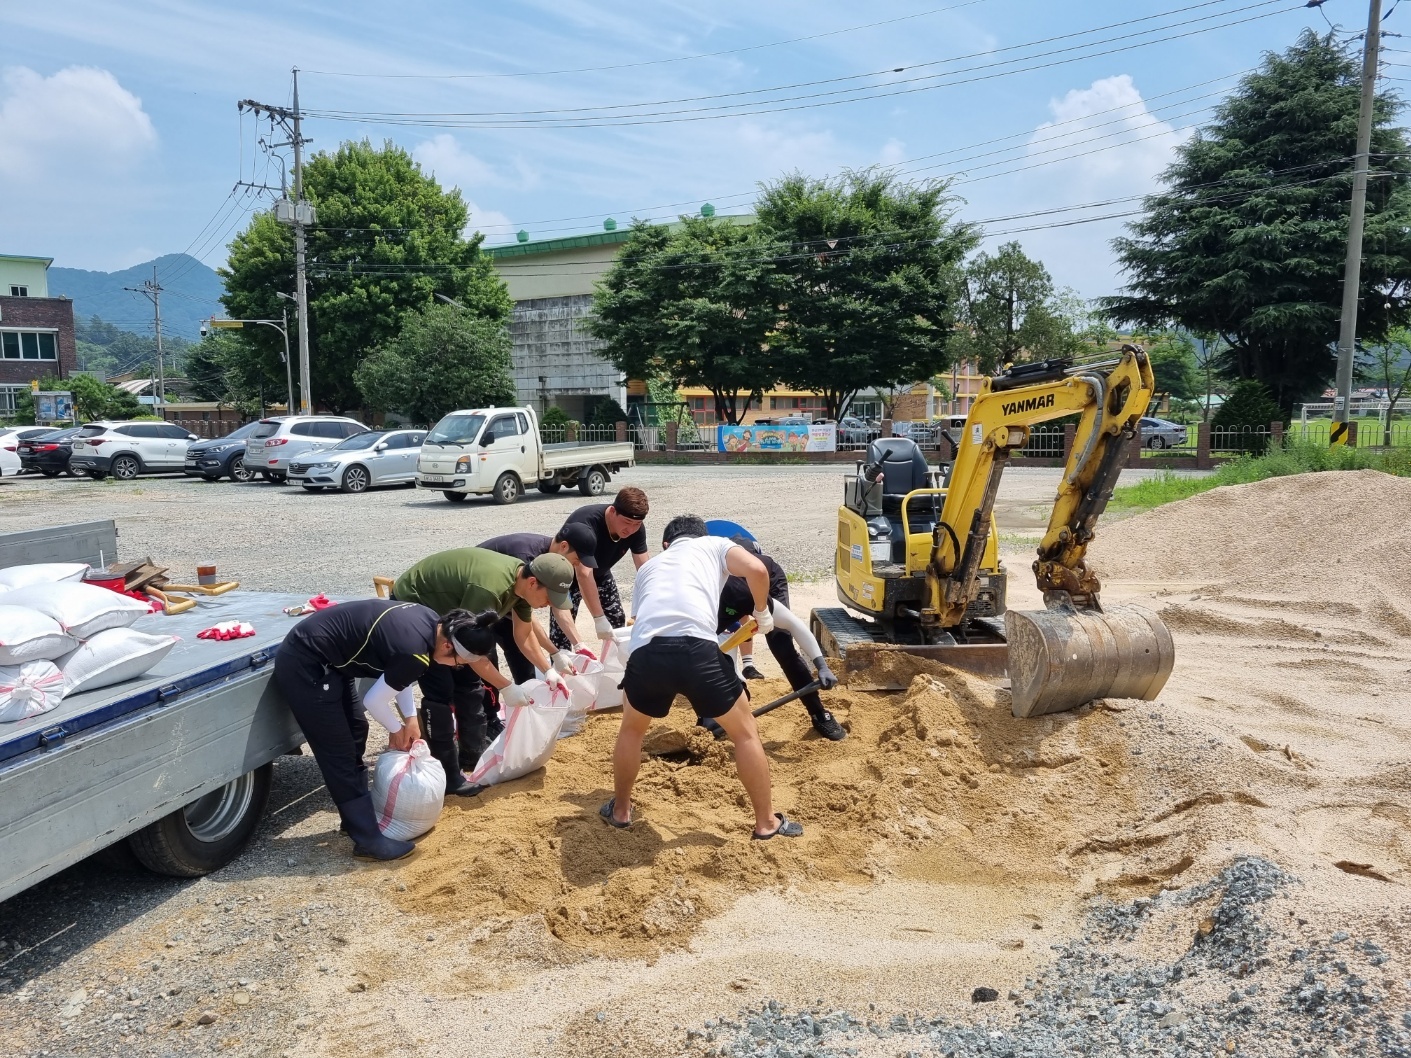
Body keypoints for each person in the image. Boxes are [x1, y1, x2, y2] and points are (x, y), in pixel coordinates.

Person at [601, 514, 803, 841]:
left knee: (632, 730)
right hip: (698, 650)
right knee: (745, 734)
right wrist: (763, 613)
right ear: (701, 536)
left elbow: (638, 620)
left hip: (648, 653)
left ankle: (621, 810)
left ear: (667, 544)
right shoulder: (715, 545)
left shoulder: (649, 567)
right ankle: (766, 823)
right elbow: (759, 570)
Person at [273, 600, 497, 861]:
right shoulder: (414, 650)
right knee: (339, 752)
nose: (454, 668)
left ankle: (355, 820)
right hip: (307, 663)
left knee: (357, 728)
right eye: (458, 663)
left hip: (332, 662)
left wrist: (410, 718)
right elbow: (375, 700)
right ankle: (367, 839)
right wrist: (395, 728)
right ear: (448, 646)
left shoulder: (432, 623)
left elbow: (399, 677)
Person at [392, 548, 576, 793]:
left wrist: (548, 668)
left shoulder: (522, 587)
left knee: (470, 685)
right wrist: (506, 686)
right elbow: (469, 650)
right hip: (418, 607)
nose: (548, 605)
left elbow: (523, 635)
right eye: (549, 599)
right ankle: (448, 776)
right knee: (441, 690)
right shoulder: (489, 589)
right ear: (533, 583)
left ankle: (471, 756)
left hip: (454, 618)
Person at [714, 536, 845, 741]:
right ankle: (714, 717)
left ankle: (819, 713)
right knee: (714, 662)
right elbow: (721, 650)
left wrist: (821, 666)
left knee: (781, 645)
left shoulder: (744, 592)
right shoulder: (703, 603)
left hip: (765, 580)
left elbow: (794, 624)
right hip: (732, 590)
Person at [478, 523, 600, 681]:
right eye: (576, 560)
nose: (576, 566)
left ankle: (527, 696)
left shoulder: (554, 566)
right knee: (483, 657)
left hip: (507, 602)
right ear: (563, 546)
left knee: (526, 659)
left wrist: (578, 644)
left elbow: (559, 605)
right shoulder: (527, 560)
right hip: (484, 598)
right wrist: (554, 654)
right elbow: (528, 620)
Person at [548, 486, 651, 653]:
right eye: (627, 522)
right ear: (612, 511)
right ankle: (562, 673)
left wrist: (650, 605)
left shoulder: (636, 530)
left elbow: (645, 568)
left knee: (616, 620)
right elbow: (583, 573)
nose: (631, 530)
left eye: (637, 524)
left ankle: (614, 668)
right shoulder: (586, 523)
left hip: (600, 572)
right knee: (562, 635)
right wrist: (598, 618)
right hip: (568, 576)